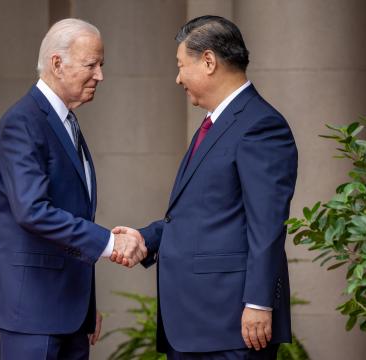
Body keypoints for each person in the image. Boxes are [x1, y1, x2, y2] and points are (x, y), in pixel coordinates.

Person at [112, 15, 298, 360]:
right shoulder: (215, 125)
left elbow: (267, 225)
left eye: (182, 65)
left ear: (209, 61)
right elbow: (202, 214)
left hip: (231, 325)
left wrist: (258, 302)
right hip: (196, 326)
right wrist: (146, 239)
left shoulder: (260, 125)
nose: (178, 77)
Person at [0, 18, 147, 359]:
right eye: (91, 65)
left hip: (67, 314)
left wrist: (84, 306)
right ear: (57, 63)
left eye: (101, 65)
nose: (100, 75)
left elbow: (71, 216)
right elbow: (32, 211)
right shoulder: (22, 123)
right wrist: (110, 242)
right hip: (30, 314)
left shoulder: (64, 121)